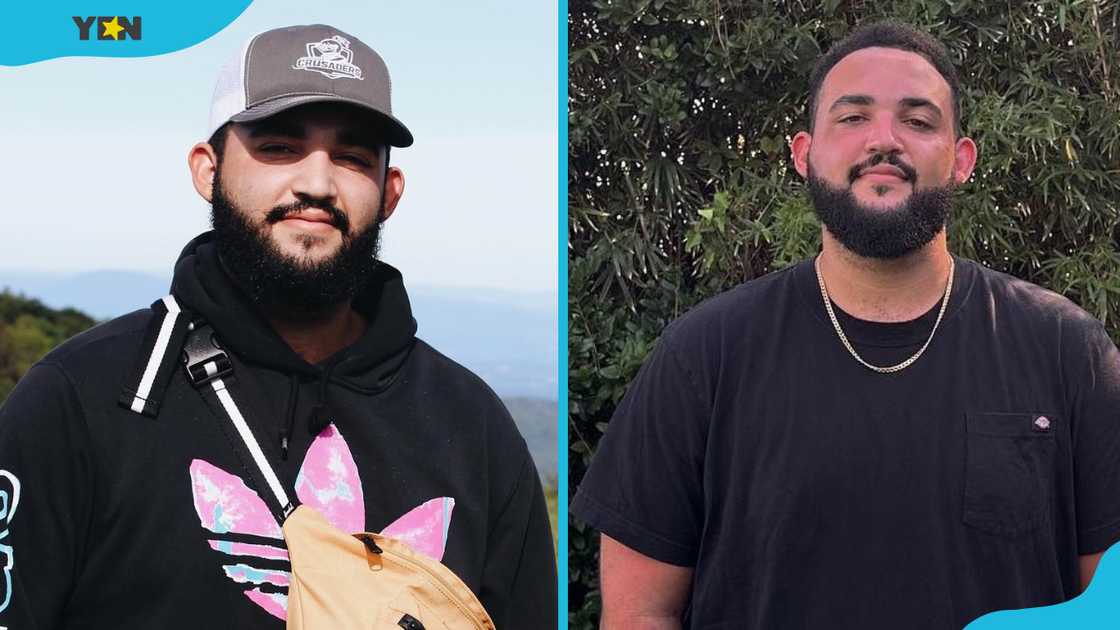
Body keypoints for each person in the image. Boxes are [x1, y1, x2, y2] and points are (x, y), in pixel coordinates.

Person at [0, 24, 556, 629]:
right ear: (206, 170)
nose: (316, 183)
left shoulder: (471, 426)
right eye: (279, 147)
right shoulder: (82, 402)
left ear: (390, 192)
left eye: (351, 156)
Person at [571, 19, 1120, 630]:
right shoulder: (705, 356)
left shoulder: (1068, 352)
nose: (884, 141)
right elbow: (639, 613)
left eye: (918, 120)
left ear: (962, 159)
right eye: (853, 117)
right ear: (804, 154)